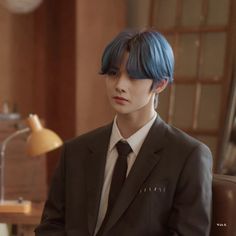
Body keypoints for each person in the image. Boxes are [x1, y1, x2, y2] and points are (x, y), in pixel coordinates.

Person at [35, 29, 212, 236]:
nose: (120, 85)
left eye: (134, 76)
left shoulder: (188, 156)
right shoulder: (75, 151)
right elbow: (50, 228)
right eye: (113, 73)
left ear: (160, 84)